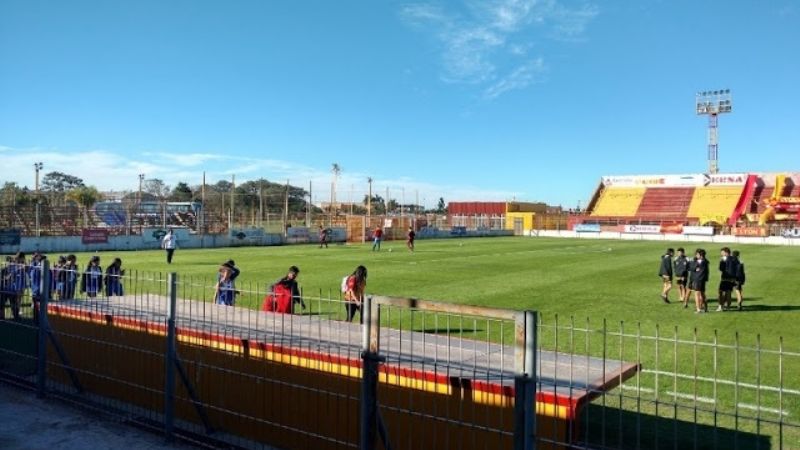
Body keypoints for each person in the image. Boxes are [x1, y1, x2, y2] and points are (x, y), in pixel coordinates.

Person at [689, 249, 709, 313]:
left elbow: (692, 268)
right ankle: (705, 308)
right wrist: (695, 268)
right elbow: (691, 268)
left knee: (697, 294)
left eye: (697, 254)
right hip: (702, 280)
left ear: (701, 255)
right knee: (702, 294)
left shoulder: (701, 262)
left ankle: (698, 309)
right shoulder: (705, 261)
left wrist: (695, 268)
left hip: (698, 279)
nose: (696, 255)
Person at [717, 247, 737, 311]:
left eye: (722, 252)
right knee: (728, 293)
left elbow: (721, 268)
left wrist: (722, 261)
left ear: (726, 252)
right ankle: (728, 307)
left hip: (725, 278)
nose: (721, 254)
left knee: (720, 292)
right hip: (732, 278)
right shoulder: (734, 258)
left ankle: (720, 306)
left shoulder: (724, 259)